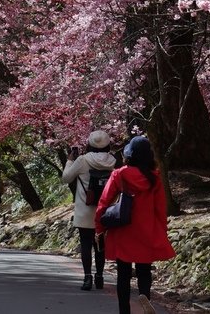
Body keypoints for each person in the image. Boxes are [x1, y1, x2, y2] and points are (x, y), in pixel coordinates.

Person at [94, 136, 174, 314]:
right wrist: (161, 231)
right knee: (144, 270)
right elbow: (160, 209)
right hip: (146, 230)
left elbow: (104, 203)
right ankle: (145, 297)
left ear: (129, 155)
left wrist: (99, 228)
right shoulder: (155, 178)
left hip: (123, 230)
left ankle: (125, 310)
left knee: (123, 274)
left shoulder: (120, 174)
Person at [62, 130, 116, 290]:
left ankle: (87, 278)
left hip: (85, 209)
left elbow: (66, 178)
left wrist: (70, 161)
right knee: (100, 243)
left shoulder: (82, 160)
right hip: (104, 208)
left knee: (85, 244)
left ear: (90, 144)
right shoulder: (113, 161)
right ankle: (99, 277)